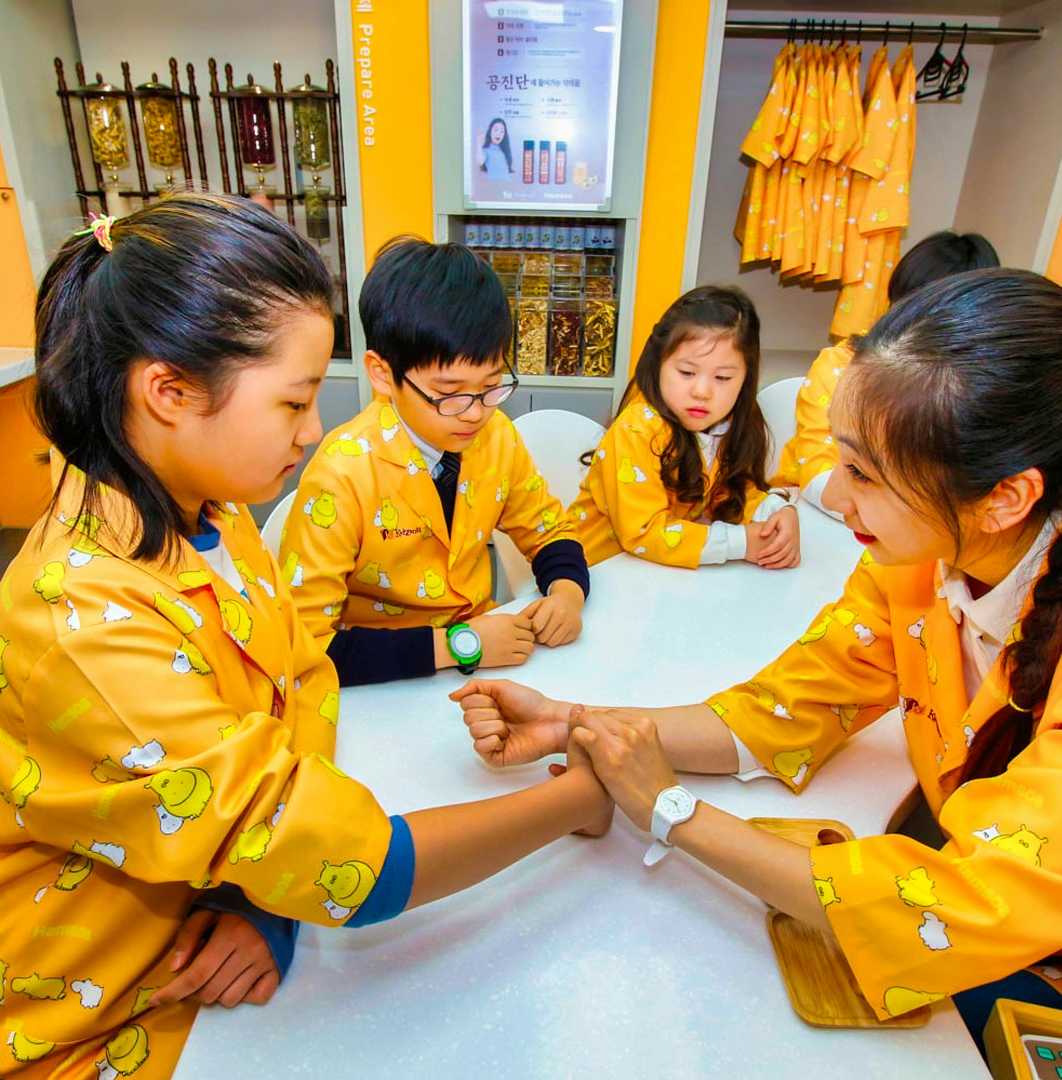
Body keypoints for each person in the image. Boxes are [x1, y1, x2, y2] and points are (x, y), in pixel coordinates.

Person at [0, 195, 610, 1078]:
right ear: (168, 391)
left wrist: (267, 899)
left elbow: (300, 677)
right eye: (295, 401)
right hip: (102, 1012)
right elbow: (354, 865)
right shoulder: (82, 623)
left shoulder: (217, 517)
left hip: (222, 921)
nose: (314, 429)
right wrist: (581, 799)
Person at [455, 267, 1062, 1057]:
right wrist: (578, 721)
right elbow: (787, 706)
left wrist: (671, 812)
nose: (836, 503)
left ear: (1007, 498)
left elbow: (970, 902)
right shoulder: (912, 567)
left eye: (863, 476)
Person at [281, 236, 589, 687]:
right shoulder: (342, 474)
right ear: (383, 373)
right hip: (383, 683)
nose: (475, 411)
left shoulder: (496, 435)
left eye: (491, 384)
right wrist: (462, 644)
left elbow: (550, 532)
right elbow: (307, 647)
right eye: (448, 394)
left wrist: (567, 595)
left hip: (481, 669)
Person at [567, 284, 800, 570]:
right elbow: (644, 533)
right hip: (595, 573)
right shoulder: (636, 429)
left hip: (658, 575)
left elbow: (727, 492)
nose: (702, 391)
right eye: (687, 372)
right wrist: (742, 542)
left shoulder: (724, 425)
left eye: (723, 378)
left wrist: (777, 511)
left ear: (745, 381)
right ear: (658, 364)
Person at [772, 229, 1000, 514]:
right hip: (817, 515)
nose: (911, 324)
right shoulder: (842, 365)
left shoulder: (983, 382)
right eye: (905, 307)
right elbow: (817, 475)